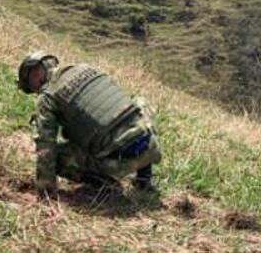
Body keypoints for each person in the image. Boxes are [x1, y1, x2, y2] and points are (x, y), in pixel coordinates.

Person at [17, 52, 162, 197]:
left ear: (34, 76)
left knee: (58, 158)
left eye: (31, 87)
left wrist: (45, 192)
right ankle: (144, 179)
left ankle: (106, 184)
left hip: (119, 161)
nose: (35, 92)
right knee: (138, 106)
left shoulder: (48, 96)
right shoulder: (85, 68)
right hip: (150, 145)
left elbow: (46, 147)